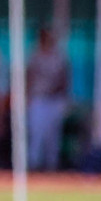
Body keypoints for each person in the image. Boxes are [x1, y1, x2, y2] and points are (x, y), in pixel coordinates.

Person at [26, 28, 70, 172]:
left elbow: (65, 79)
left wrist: (63, 97)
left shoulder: (59, 57)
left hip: (54, 100)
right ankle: (33, 165)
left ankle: (51, 167)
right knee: (36, 133)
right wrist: (27, 98)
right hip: (38, 99)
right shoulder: (34, 55)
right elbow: (29, 77)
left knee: (53, 136)